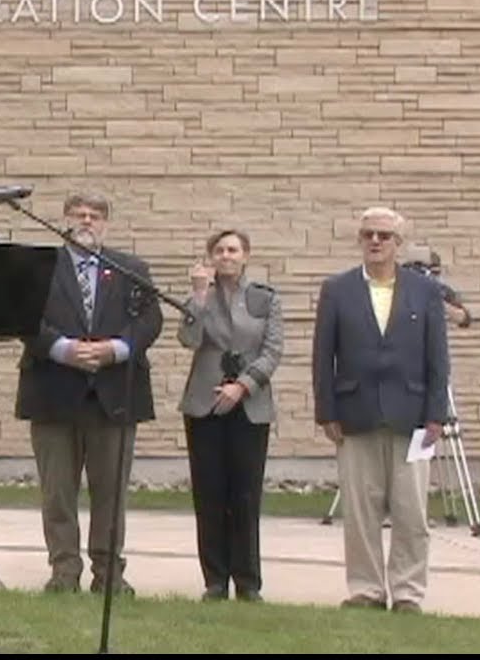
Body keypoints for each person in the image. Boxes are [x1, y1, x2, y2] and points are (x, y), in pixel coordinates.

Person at [14, 192, 163, 595]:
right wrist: (63, 349)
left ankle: (109, 573)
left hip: (113, 395)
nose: (86, 221)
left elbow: (150, 319)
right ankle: (64, 571)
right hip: (52, 392)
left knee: (110, 493)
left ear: (106, 224)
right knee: (58, 491)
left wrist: (117, 349)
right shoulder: (41, 267)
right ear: (63, 220)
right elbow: (24, 317)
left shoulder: (129, 268)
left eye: (95, 216)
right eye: (78, 214)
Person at [312, 206, 449, 614]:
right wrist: (326, 411)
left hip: (413, 417)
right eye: (368, 234)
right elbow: (324, 356)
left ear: (398, 244)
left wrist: (436, 415)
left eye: (384, 236)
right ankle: (366, 590)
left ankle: (408, 593)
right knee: (360, 511)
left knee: (411, 512)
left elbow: (437, 357)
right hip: (355, 415)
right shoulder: (337, 289)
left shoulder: (425, 292)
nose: (375, 241)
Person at [177, 229, 284, 602]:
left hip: (249, 405)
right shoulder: (201, 295)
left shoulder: (265, 298)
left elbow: (272, 351)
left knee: (244, 493)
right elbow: (189, 339)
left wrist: (242, 386)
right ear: (210, 256)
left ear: (246, 255)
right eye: (219, 250)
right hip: (204, 403)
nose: (226, 256)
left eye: (233, 250)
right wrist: (198, 296)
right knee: (209, 493)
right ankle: (215, 579)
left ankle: (248, 581)